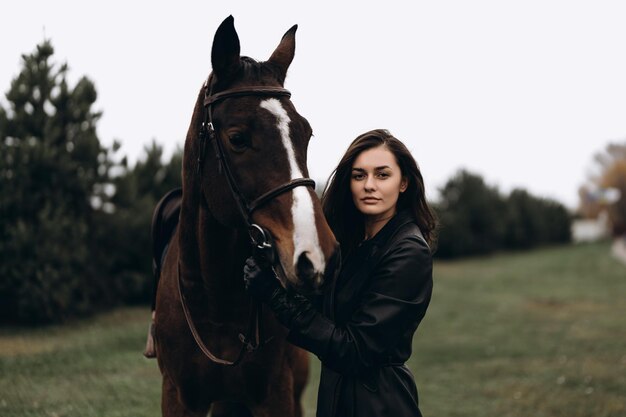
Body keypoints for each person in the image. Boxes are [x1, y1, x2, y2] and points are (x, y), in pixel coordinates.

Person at [244, 129, 437, 417]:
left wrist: (273, 294)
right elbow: (320, 312)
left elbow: (354, 350)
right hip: (338, 401)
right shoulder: (356, 245)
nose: (369, 185)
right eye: (359, 175)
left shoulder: (409, 251)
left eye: (382, 175)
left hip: (380, 406)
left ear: (404, 182)